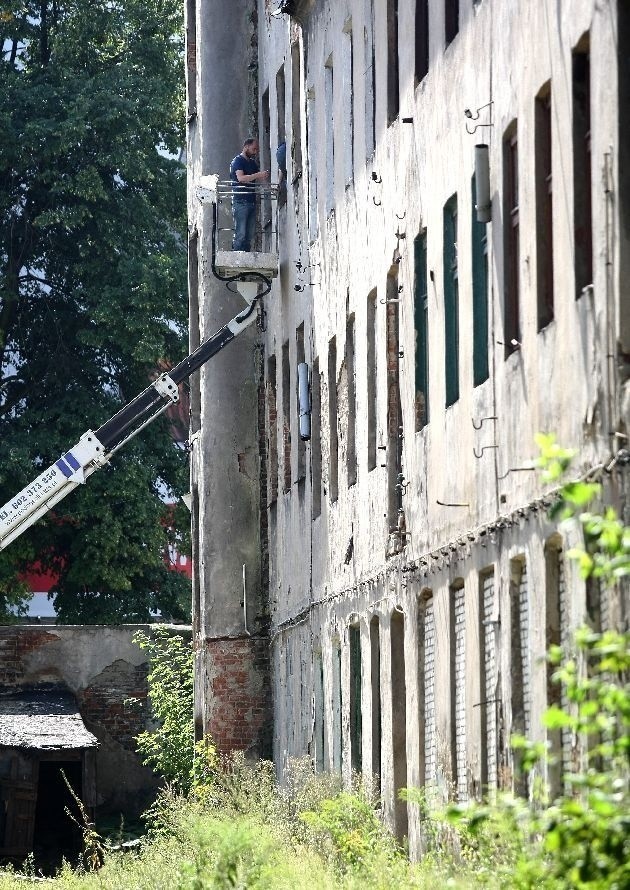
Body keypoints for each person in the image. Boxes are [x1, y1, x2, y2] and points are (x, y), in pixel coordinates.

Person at [229, 138, 269, 251]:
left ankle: (246, 255)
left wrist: (268, 186)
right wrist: (258, 175)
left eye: (257, 150)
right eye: (254, 149)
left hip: (251, 201)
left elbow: (259, 178)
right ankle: (237, 257)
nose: (255, 152)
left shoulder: (252, 163)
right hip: (240, 201)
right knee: (241, 233)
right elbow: (241, 178)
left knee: (249, 234)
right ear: (246, 146)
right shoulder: (237, 161)